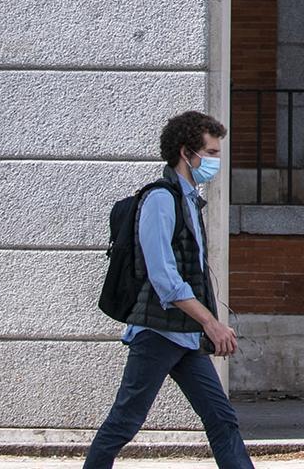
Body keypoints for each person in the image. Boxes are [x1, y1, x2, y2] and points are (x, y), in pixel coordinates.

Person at [84, 111, 252, 469]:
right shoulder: (161, 199)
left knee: (222, 419)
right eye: (210, 152)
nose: (215, 161)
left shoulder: (190, 199)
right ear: (185, 153)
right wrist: (211, 323)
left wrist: (204, 324)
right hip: (158, 333)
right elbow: (163, 277)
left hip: (185, 335)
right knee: (124, 423)